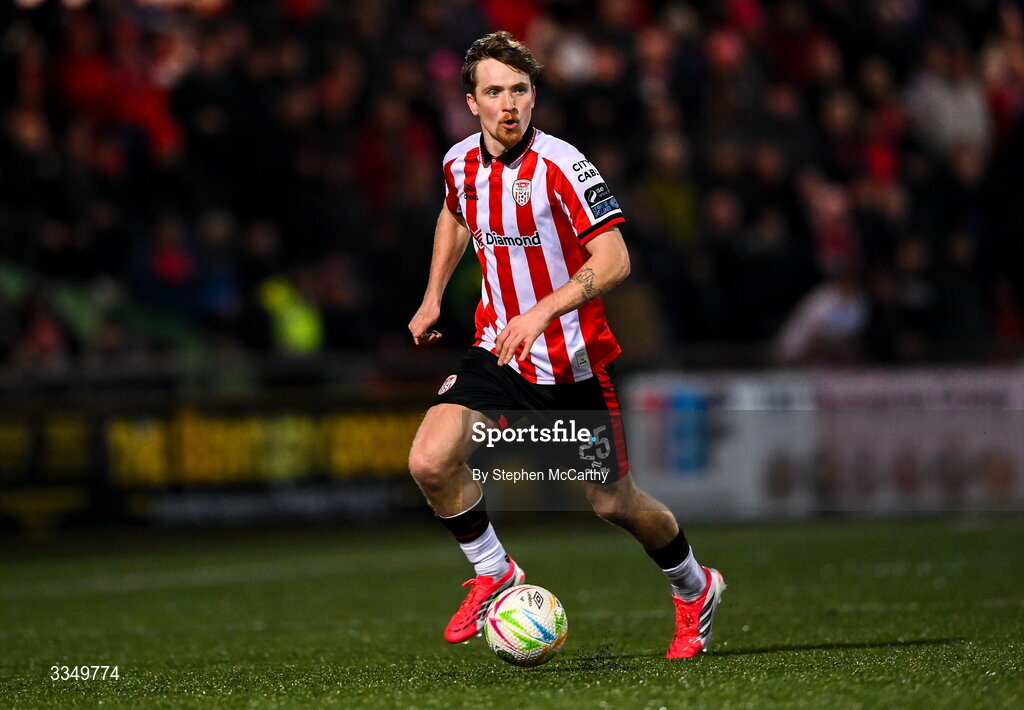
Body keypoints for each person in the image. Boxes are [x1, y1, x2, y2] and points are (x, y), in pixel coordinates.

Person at [407, 32, 724, 659]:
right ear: (471, 101)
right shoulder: (459, 163)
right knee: (429, 461)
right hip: (499, 349)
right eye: (494, 91)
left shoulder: (564, 165)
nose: (509, 104)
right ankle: (495, 572)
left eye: (520, 90)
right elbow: (453, 214)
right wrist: (433, 296)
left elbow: (615, 259)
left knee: (612, 502)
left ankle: (695, 586)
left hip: (571, 362)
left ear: (534, 96)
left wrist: (541, 312)